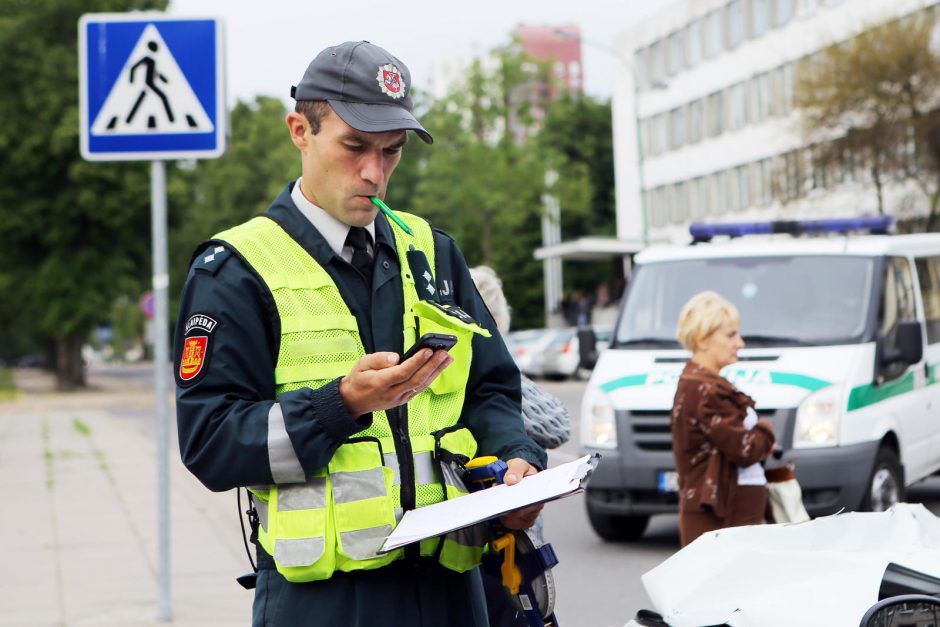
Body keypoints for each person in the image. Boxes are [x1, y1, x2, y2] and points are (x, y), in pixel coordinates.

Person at [173, 40, 546, 627]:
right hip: (326, 602)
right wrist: (339, 405)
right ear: (300, 130)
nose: (375, 172)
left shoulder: (432, 252)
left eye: (391, 152)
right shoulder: (237, 269)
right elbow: (210, 443)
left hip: (453, 592)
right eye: (354, 147)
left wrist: (518, 463)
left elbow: (492, 389)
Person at [470, 265, 570, 626]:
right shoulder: (468, 374)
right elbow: (557, 424)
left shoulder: (493, 376)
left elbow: (558, 425)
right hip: (494, 553)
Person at [671, 290, 776, 547]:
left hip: (722, 518)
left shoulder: (699, 383)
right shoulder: (707, 390)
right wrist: (765, 430)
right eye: (730, 335)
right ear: (702, 339)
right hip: (722, 522)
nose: (740, 343)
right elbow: (745, 448)